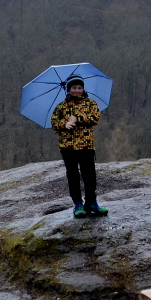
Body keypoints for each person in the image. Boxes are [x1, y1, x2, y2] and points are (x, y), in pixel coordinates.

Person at [51, 78, 106, 218]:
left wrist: (77, 118)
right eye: (74, 87)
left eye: (79, 87)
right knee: (73, 175)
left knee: (89, 175)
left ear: (83, 89)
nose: (76, 90)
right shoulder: (61, 106)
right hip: (67, 146)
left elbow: (95, 118)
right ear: (69, 89)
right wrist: (64, 124)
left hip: (86, 145)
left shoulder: (90, 103)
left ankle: (91, 202)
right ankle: (77, 204)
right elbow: (54, 122)